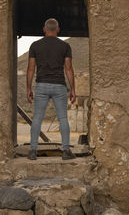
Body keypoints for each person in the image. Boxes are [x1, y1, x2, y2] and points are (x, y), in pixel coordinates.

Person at [26, 18, 76, 160]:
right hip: (59, 85)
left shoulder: (35, 45)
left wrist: (29, 89)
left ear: (44, 29)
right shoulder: (65, 46)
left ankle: (33, 151)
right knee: (62, 118)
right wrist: (73, 89)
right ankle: (66, 151)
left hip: (41, 85)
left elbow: (30, 69)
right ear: (58, 30)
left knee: (37, 118)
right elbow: (69, 69)